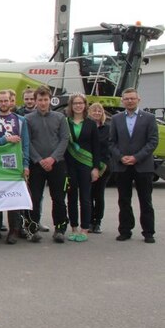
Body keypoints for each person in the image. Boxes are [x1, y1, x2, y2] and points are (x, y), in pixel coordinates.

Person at [0, 90, 34, 244]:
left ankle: (14, 231)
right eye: (1, 101)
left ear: (11, 101)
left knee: (14, 198)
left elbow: (25, 144)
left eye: (6, 101)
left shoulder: (21, 120)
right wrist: (5, 140)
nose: (4, 104)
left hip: (14, 164)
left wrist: (25, 165)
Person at [109, 88, 158, 243]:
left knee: (145, 200)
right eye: (126, 99)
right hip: (122, 166)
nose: (129, 101)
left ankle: (148, 232)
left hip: (142, 166)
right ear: (122, 101)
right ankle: (125, 230)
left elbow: (153, 141)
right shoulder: (116, 119)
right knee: (124, 200)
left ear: (138, 100)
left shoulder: (149, 118)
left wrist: (136, 157)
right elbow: (111, 142)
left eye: (132, 98)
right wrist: (120, 157)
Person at [25, 85, 70, 242]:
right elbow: (27, 142)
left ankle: (60, 228)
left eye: (45, 100)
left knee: (58, 197)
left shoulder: (59, 118)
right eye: (40, 100)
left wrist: (53, 158)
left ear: (50, 100)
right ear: (35, 101)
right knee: (35, 197)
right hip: (36, 165)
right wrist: (39, 159)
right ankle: (33, 227)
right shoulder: (28, 119)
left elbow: (64, 139)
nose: (43, 103)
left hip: (56, 164)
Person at [64, 94, 101, 242]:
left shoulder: (91, 124)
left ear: (85, 105)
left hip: (86, 165)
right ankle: (73, 227)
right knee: (71, 197)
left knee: (85, 198)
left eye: (81, 103)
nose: (78, 106)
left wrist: (96, 168)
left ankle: (85, 228)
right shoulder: (66, 122)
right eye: (75, 103)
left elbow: (96, 147)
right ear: (71, 106)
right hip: (69, 164)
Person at [88, 102, 110, 234]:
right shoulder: (87, 127)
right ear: (89, 112)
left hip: (103, 166)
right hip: (88, 165)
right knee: (88, 195)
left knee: (99, 195)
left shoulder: (108, 128)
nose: (97, 113)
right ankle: (89, 221)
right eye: (94, 111)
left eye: (99, 111)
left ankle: (98, 222)